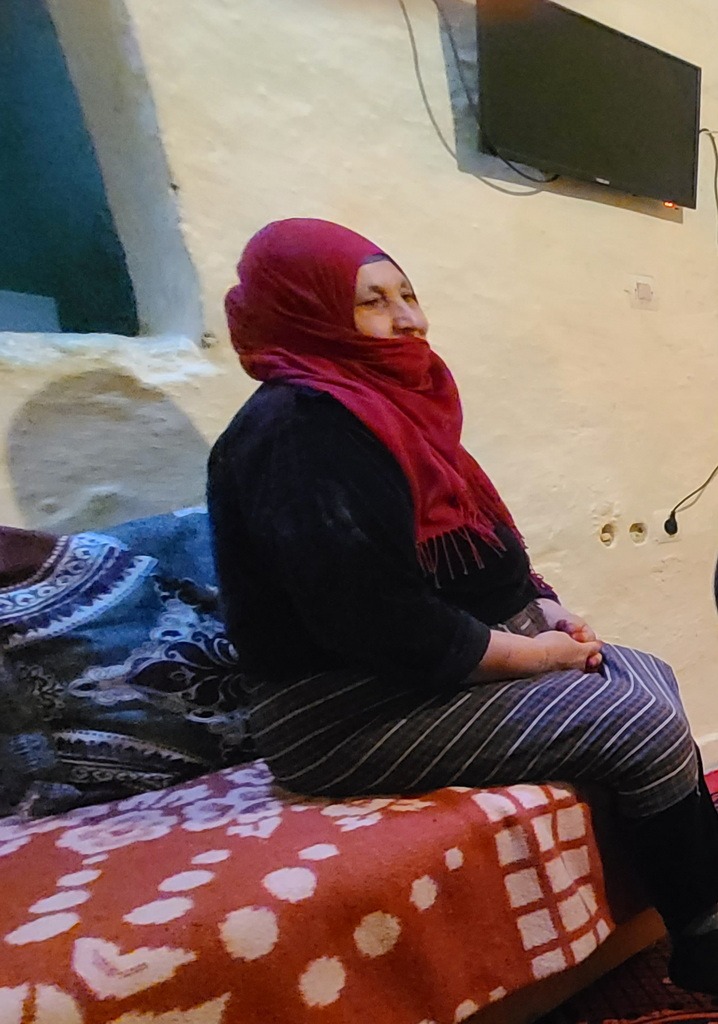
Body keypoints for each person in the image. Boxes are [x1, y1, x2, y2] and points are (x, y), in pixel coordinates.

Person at [207, 218, 718, 995]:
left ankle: (661, 900)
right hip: (348, 711)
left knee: (643, 674)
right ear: (305, 311)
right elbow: (376, 620)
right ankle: (706, 940)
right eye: (374, 302)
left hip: (416, 679)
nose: (409, 318)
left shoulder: (394, 407)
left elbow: (485, 548)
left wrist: (544, 610)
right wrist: (534, 656)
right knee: (632, 719)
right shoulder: (302, 428)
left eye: (408, 294)